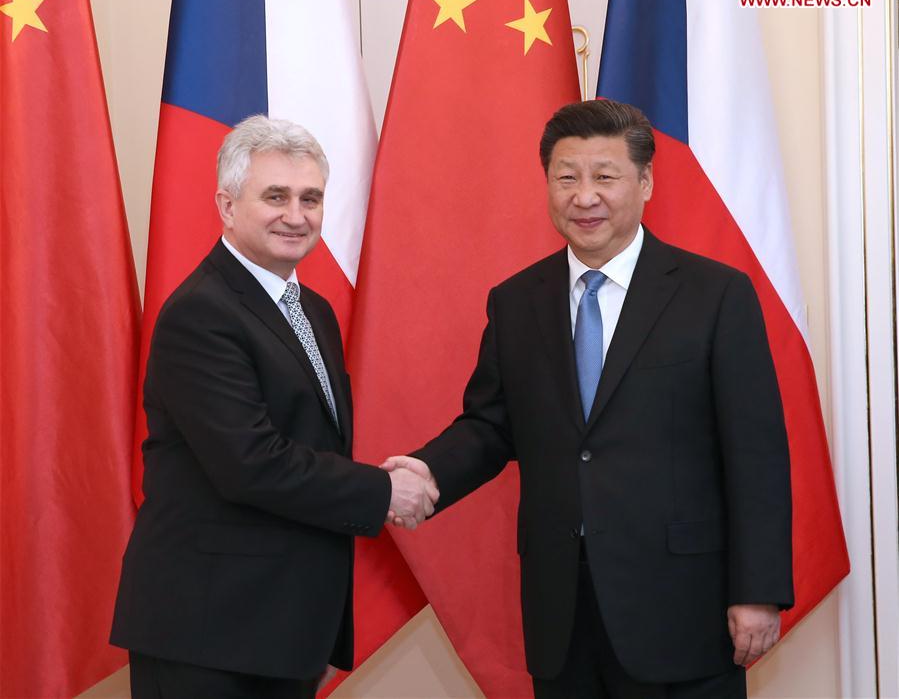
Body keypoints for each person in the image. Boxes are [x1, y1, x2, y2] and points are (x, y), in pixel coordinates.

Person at [384, 99, 793, 698]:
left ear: (645, 182)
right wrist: (427, 471)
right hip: (562, 613)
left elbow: (756, 454)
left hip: (683, 608)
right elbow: (492, 426)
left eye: (605, 176)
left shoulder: (716, 295)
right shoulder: (517, 301)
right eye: (566, 177)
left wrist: (757, 590)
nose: (584, 197)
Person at [111, 115, 437, 699]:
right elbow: (251, 463)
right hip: (206, 633)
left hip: (281, 629)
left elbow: (313, 446)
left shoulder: (311, 309)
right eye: (276, 196)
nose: (296, 215)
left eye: (310, 198)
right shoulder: (201, 313)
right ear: (227, 205)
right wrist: (383, 492)